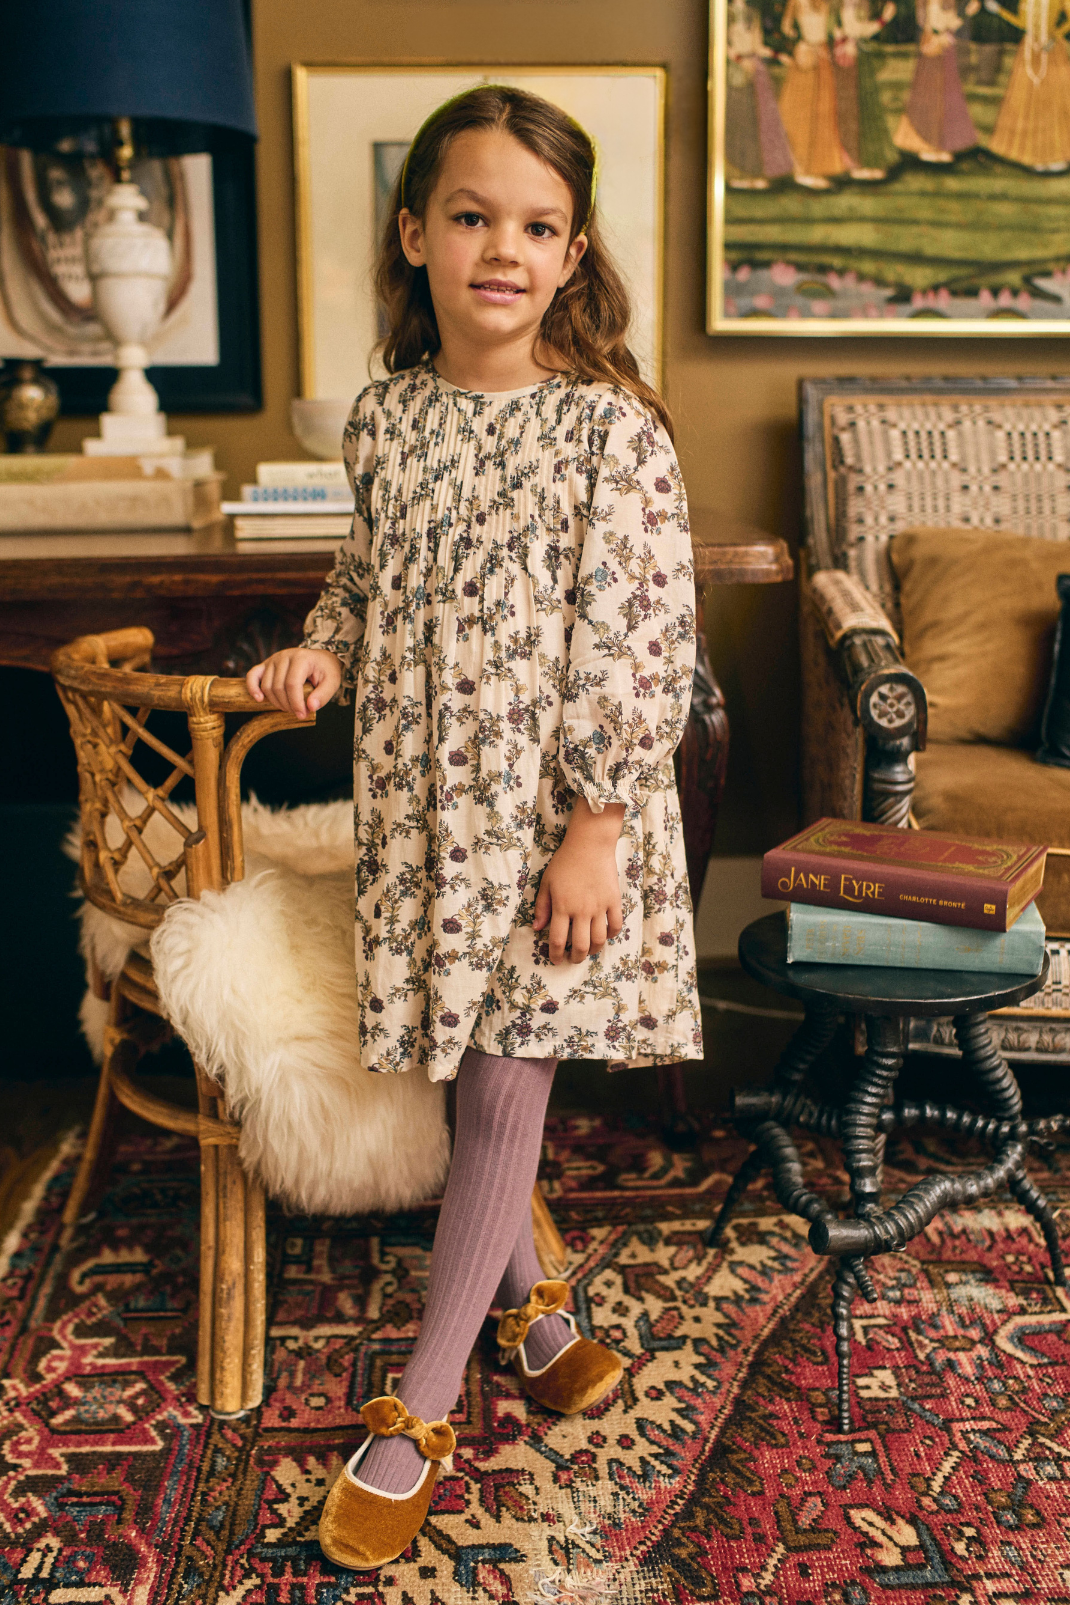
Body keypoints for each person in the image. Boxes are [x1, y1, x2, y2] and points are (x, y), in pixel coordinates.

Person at [246, 85, 701, 1570]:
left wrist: (594, 824)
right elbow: (367, 590)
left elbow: (639, 642)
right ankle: (543, 1311)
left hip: (551, 819)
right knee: (464, 1082)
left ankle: (421, 1407)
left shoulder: (607, 430)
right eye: (471, 216)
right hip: (422, 811)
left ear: (571, 255)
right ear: (414, 231)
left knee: (504, 1093)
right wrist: (325, 649)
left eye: (536, 225)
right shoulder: (386, 418)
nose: (501, 248)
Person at [985, 0, 1070, 171]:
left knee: (1053, 103)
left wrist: (1055, 36)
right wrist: (1000, 11)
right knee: (1030, 103)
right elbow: (1022, 23)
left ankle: (1056, 156)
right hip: (1029, 50)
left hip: (1052, 50)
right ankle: (1034, 156)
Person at [894, 0, 981, 161]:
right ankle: (926, 143)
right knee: (930, 94)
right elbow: (937, 24)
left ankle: (942, 144)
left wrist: (961, 15)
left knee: (947, 95)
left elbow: (949, 22)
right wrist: (966, 13)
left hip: (945, 49)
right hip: (934, 48)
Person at [725, 0, 795, 188]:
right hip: (737, 71)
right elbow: (721, 45)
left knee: (763, 121)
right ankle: (740, 175)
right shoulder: (725, 13)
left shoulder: (753, 13)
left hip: (756, 69)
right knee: (742, 122)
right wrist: (740, 60)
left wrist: (778, 56)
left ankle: (759, 173)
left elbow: (758, 46)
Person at [779, 0, 849, 187]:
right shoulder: (797, 2)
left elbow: (832, 27)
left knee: (823, 114)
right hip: (806, 56)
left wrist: (842, 41)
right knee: (801, 113)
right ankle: (801, 170)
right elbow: (786, 28)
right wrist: (799, 42)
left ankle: (816, 168)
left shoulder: (825, 3)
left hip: (823, 56)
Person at [834, 0, 900, 179]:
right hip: (848, 58)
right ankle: (855, 162)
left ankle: (870, 160)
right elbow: (855, 29)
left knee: (868, 107)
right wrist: (883, 20)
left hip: (859, 56)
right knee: (854, 108)